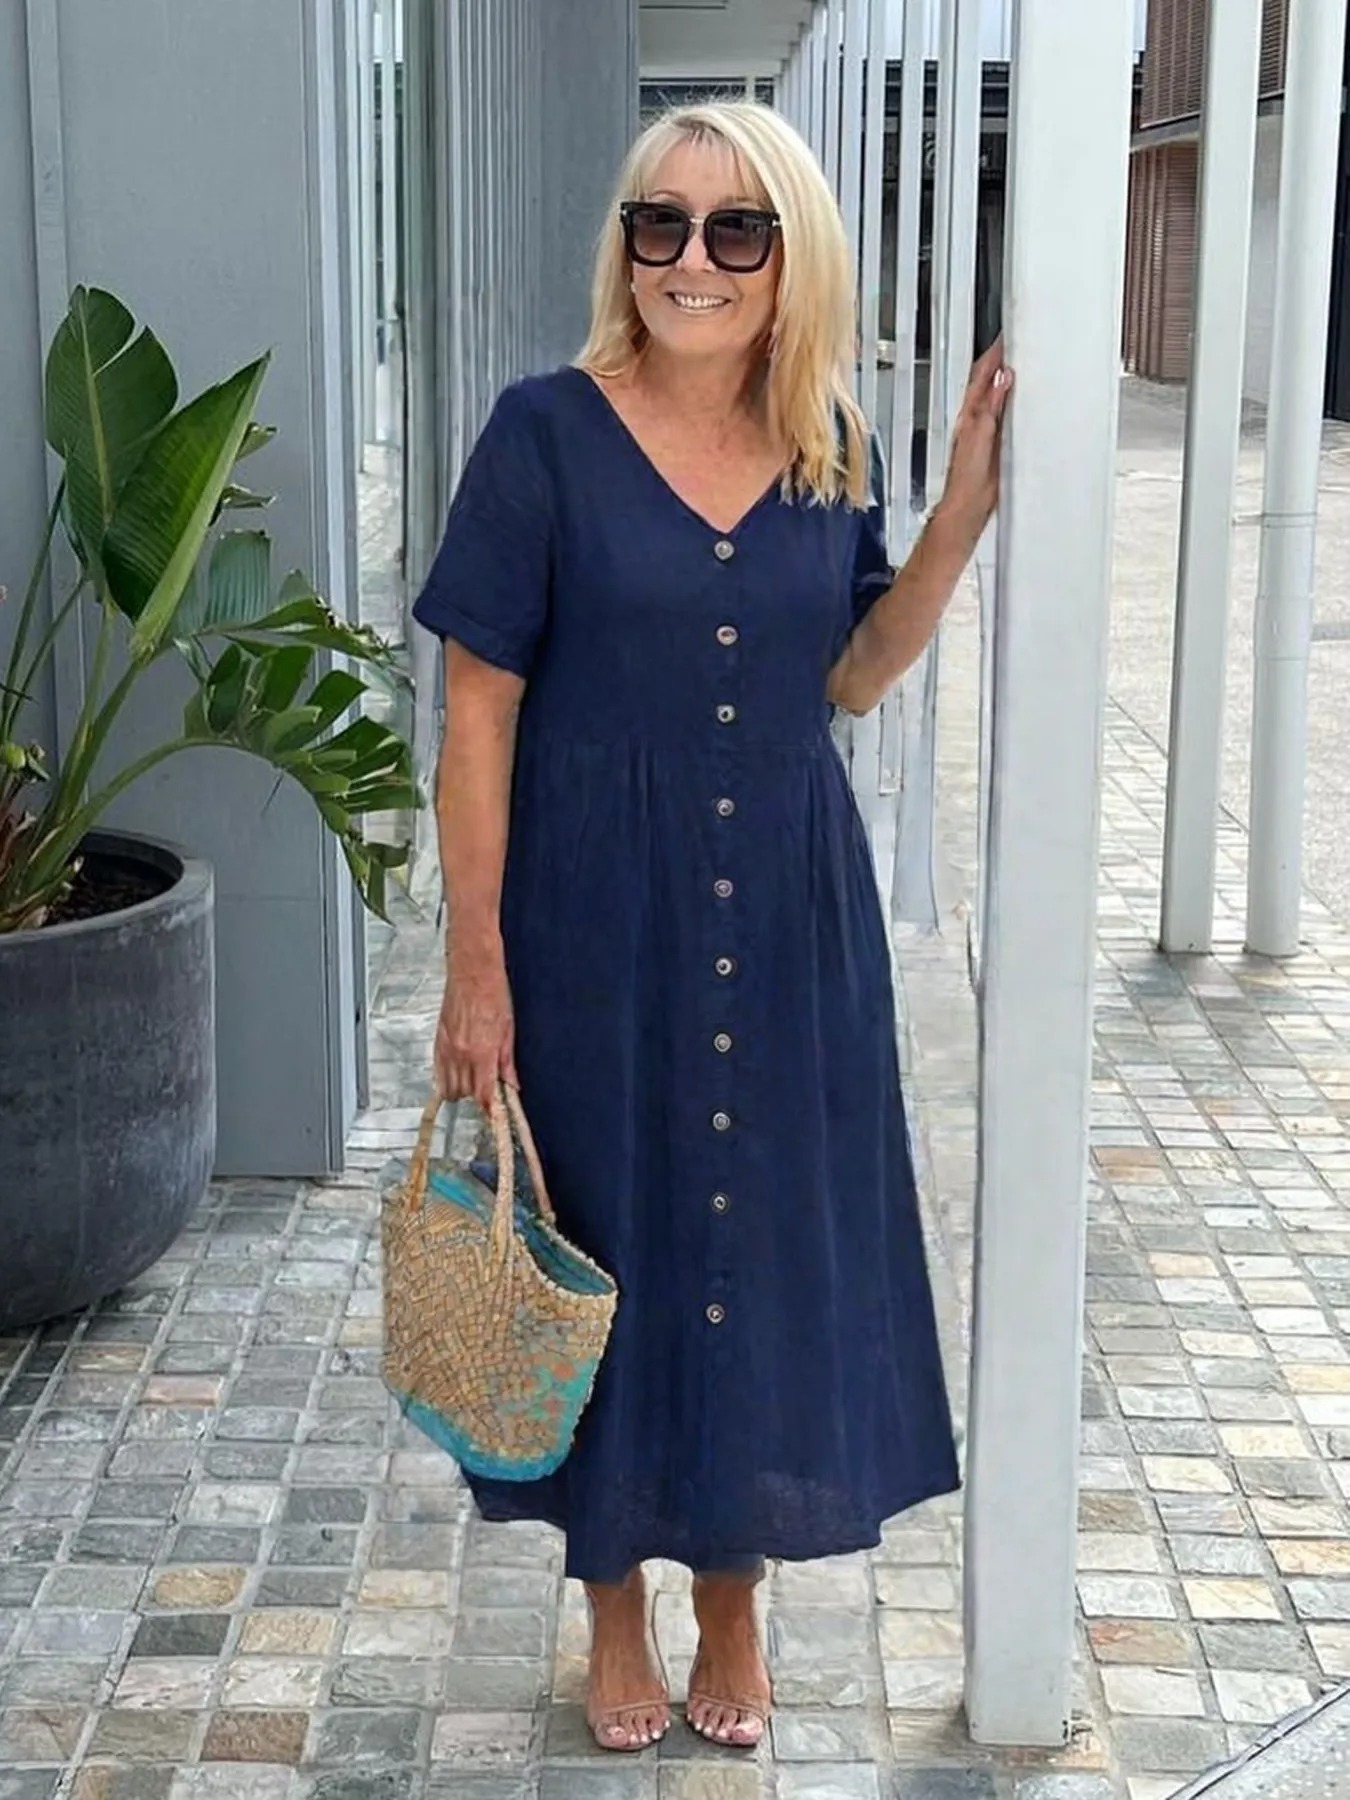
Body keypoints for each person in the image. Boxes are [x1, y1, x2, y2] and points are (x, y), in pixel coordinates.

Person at [413, 100, 1010, 1755]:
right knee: (611, 1237)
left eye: (734, 227)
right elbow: (476, 715)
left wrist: (956, 518)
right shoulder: (541, 434)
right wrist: (477, 966)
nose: (691, 258)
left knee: (751, 1243)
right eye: (657, 224)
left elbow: (850, 676)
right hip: (592, 917)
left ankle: (731, 1598)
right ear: (624, 251)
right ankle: (612, 1599)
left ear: (787, 255)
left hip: (787, 915)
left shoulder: (830, 440)